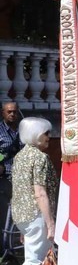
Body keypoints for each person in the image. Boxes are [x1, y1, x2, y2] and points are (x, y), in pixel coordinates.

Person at [0, 117, 57, 265]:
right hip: (36, 215)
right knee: (35, 262)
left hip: (22, 216)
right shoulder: (40, 158)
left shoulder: (20, 157)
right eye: (46, 133)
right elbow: (40, 192)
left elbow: (19, 190)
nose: (49, 137)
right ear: (36, 134)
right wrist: (50, 222)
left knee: (43, 260)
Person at [0, 101, 22, 240]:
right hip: (4, 177)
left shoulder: (23, 130)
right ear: (3, 113)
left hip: (20, 177)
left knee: (19, 212)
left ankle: (14, 244)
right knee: (3, 212)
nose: (12, 114)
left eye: (14, 111)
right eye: (9, 111)